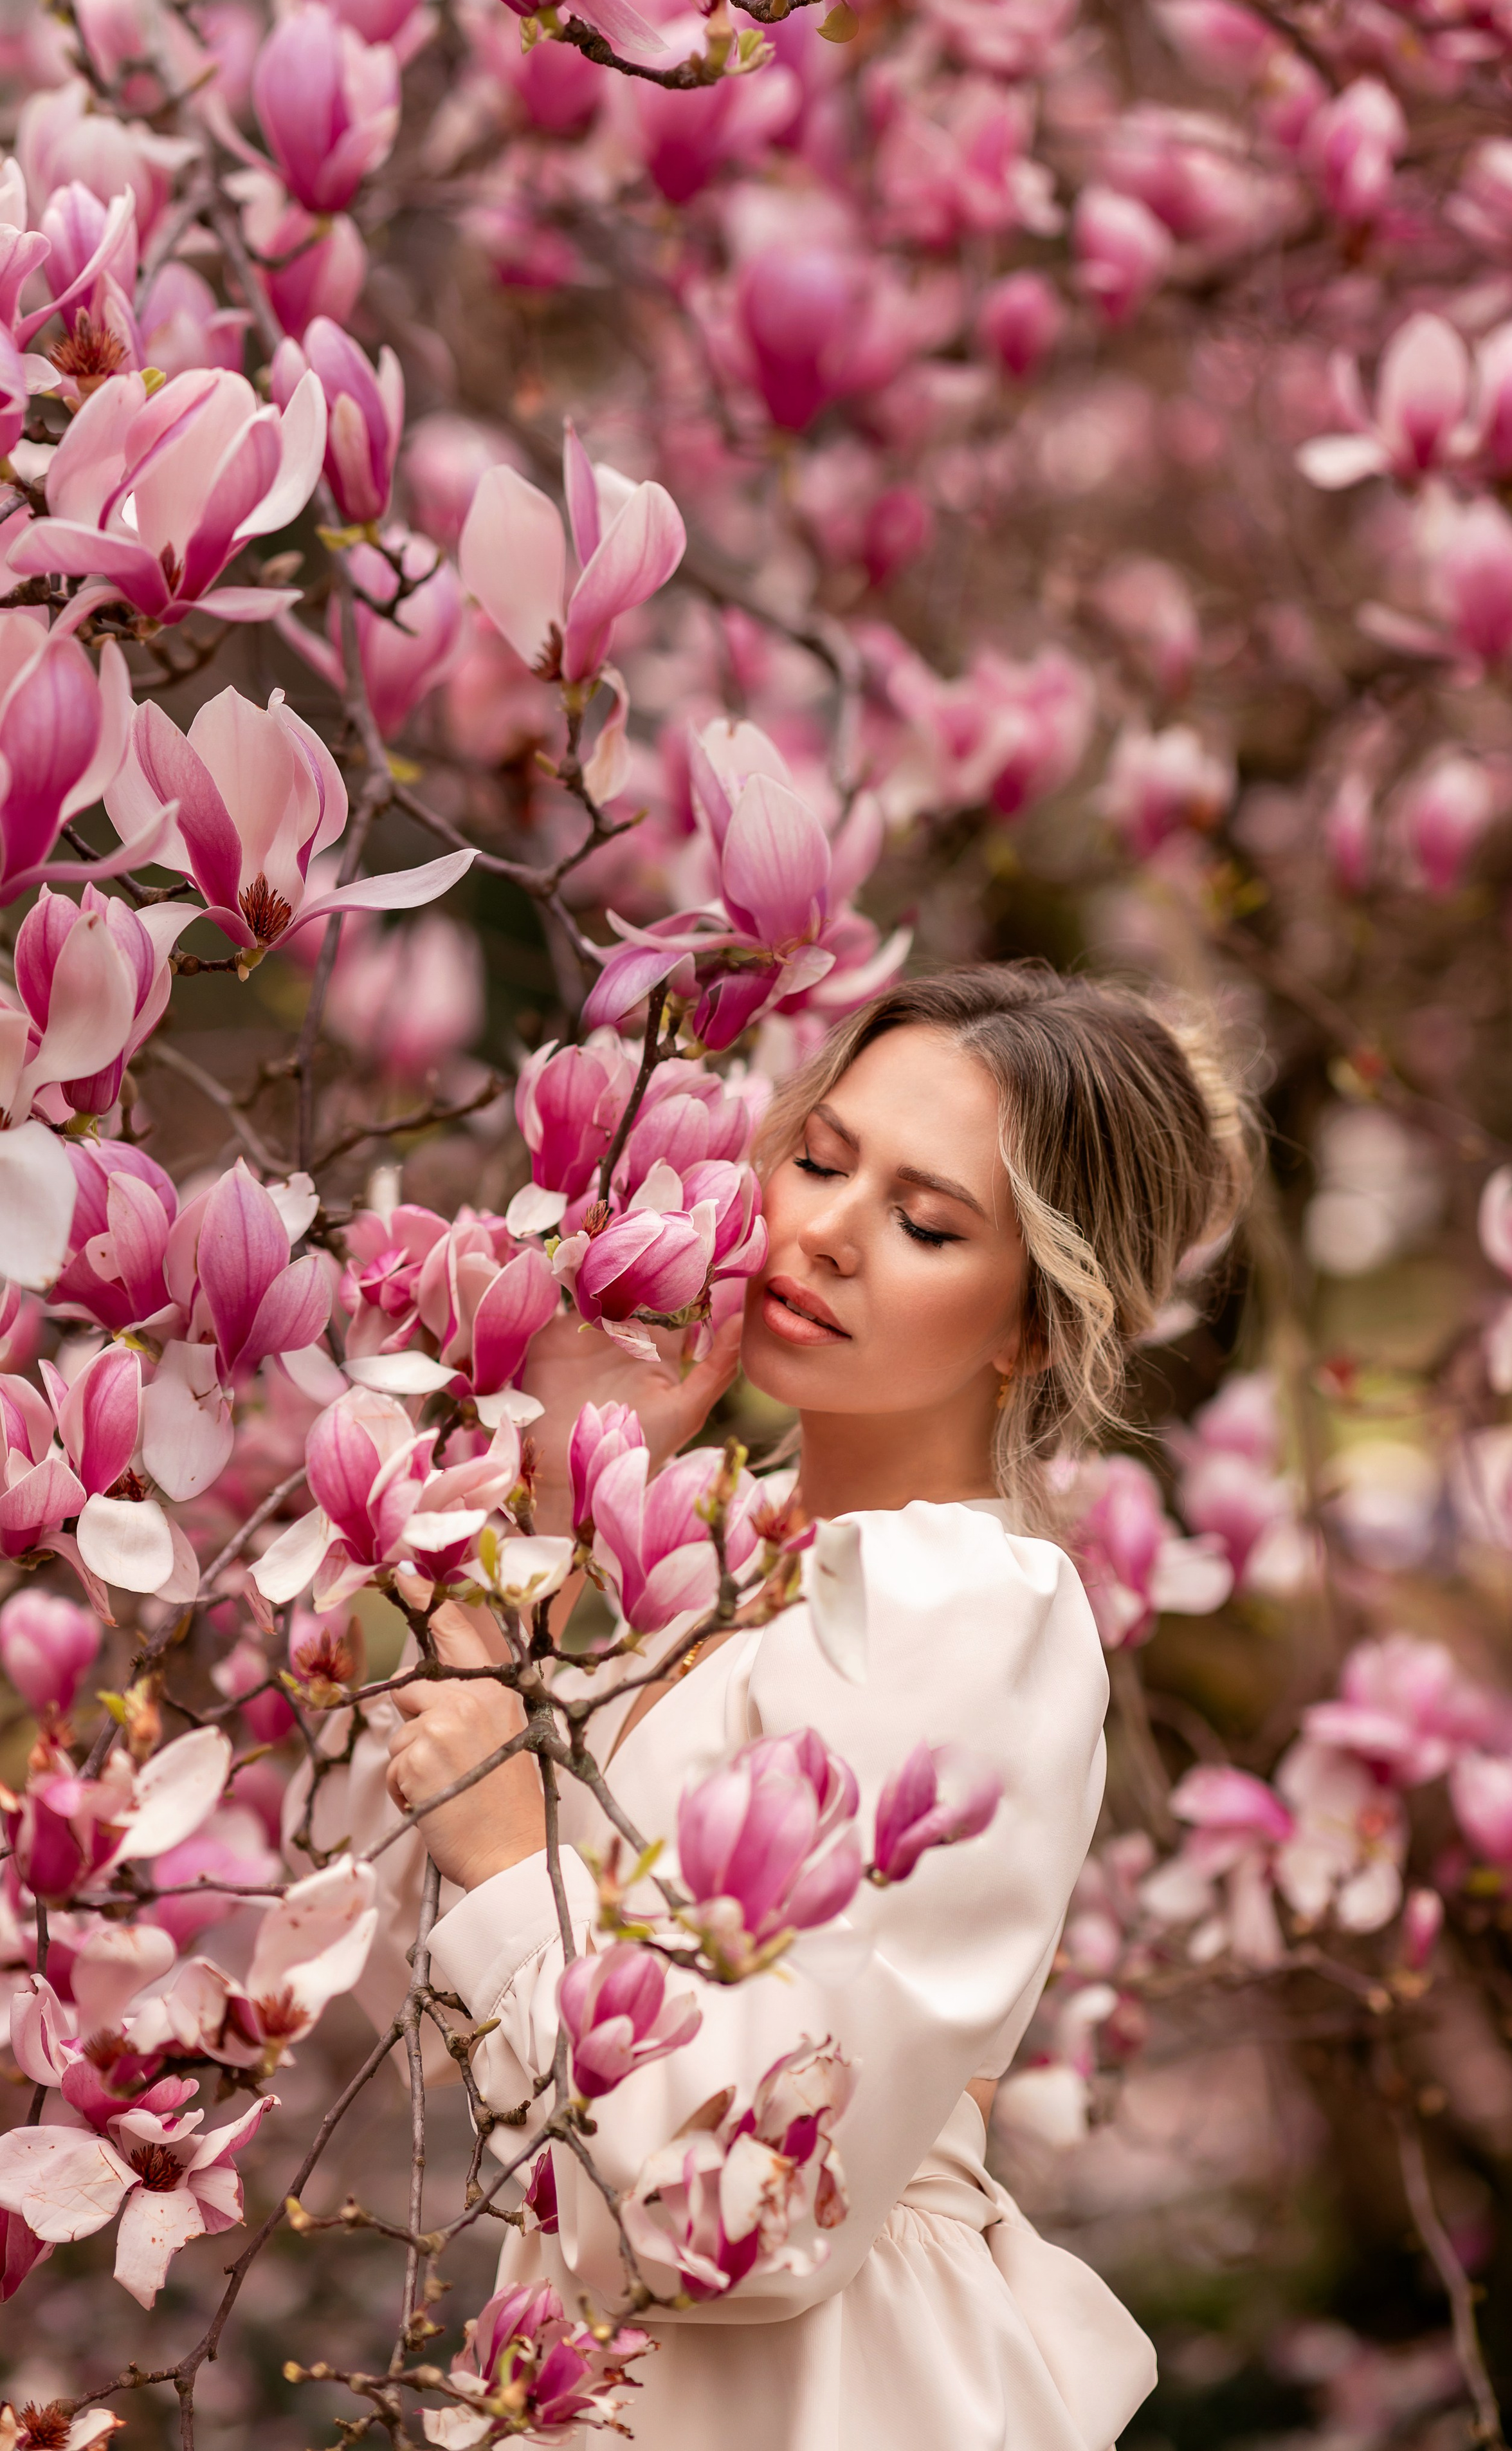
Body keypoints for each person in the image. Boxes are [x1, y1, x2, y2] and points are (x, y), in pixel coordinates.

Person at [305, 964, 1253, 2451]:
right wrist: (553, 1489)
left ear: (1026, 1332)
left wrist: (509, 1865)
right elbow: (410, 2016)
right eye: (818, 1160)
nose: (820, 1232)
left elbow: (746, 2212)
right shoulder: (705, 1568)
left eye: (925, 1222)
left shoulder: (956, 1604)